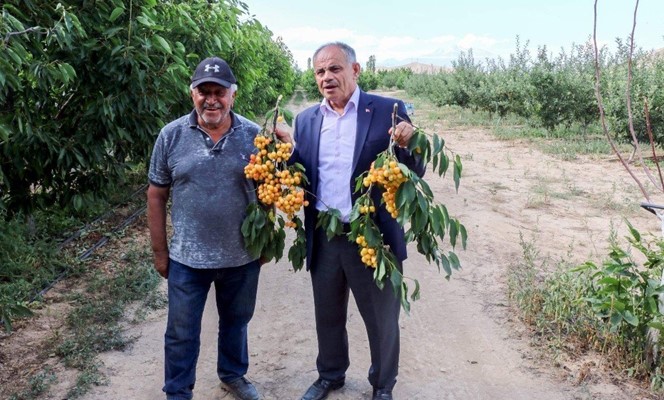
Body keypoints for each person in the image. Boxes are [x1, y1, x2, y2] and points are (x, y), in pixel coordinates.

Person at [276, 42, 425, 400]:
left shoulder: (388, 110)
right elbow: (303, 170)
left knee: (381, 318)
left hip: (372, 236)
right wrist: (285, 151)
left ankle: (383, 385)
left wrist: (409, 143)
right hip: (325, 235)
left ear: (355, 71)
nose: (327, 77)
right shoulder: (307, 120)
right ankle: (330, 375)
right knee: (327, 313)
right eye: (320, 72)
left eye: (335, 69)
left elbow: (414, 170)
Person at [147, 56, 263, 400]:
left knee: (236, 321)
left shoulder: (254, 136)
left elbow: (270, 191)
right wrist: (160, 253)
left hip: (241, 256)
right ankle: (178, 391)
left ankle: (233, 373)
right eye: (204, 91)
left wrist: (264, 243)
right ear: (192, 93)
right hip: (186, 258)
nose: (211, 99)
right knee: (181, 332)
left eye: (219, 92)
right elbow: (156, 195)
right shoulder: (171, 135)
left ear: (233, 95)